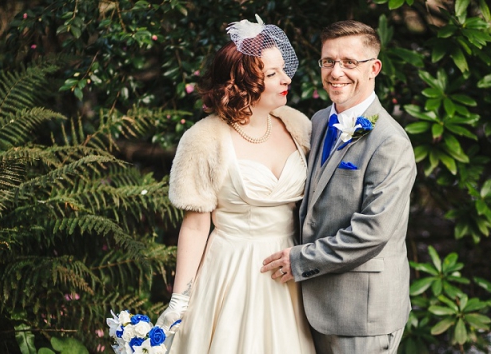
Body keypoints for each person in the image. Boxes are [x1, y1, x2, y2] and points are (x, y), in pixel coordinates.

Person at [156, 16, 315, 353]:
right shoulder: (204, 138)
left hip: (289, 269)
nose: (287, 79)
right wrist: (179, 300)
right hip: (232, 270)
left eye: (282, 69)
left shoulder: (298, 126)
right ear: (241, 83)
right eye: (272, 75)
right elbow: (196, 227)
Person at [260, 20, 417, 354]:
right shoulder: (317, 121)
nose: (336, 72)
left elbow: (372, 232)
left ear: (374, 68)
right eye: (328, 61)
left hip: (362, 314)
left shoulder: (390, 142)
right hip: (309, 307)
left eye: (349, 62)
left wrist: (299, 260)